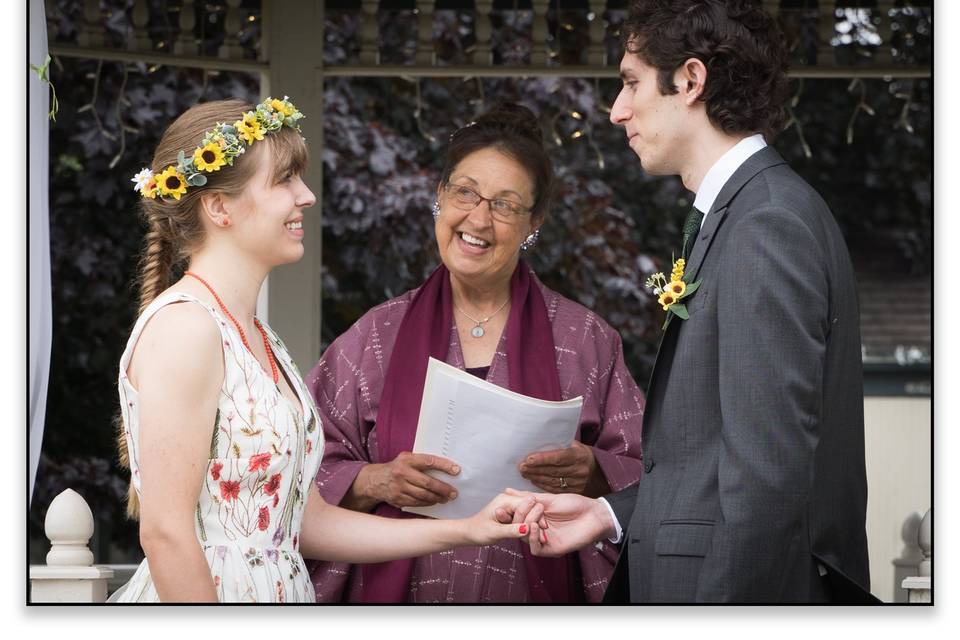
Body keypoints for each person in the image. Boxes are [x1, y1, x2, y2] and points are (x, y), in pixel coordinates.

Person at [502, 0, 874, 603]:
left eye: (630, 83)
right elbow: (714, 457)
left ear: (692, 80)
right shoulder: (746, 215)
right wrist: (610, 515)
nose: (617, 110)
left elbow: (766, 481)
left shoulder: (766, 225)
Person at [110, 98, 537, 603]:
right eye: (284, 180)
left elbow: (305, 524)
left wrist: (469, 528)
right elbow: (165, 534)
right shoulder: (186, 328)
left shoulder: (260, 338)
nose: (307, 196)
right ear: (218, 206)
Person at [306, 103, 644, 603]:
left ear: (535, 221)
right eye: (465, 192)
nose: (479, 218)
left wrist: (592, 470)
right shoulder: (374, 336)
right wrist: (376, 480)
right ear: (439, 197)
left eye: (505, 204)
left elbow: (650, 469)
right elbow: (298, 473)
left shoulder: (585, 339)